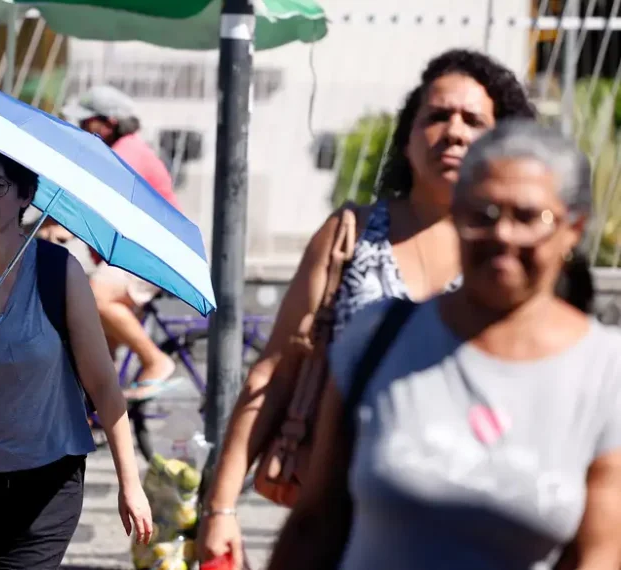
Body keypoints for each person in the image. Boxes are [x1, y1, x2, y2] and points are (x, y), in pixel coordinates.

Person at [197, 49, 538, 566]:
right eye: (438, 115)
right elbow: (275, 371)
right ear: (408, 137)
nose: (454, 131)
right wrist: (220, 508)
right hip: (346, 518)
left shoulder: (517, 249)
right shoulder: (350, 236)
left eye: (473, 120)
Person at [269, 119, 621, 569]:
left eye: (529, 217)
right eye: (483, 214)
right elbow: (315, 523)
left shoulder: (605, 373)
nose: (503, 235)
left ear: (573, 230)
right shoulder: (378, 338)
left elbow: (598, 556)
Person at [0, 136, 153, 568]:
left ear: (25, 195)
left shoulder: (59, 272)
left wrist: (131, 484)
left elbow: (105, 387)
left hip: (46, 484)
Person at [57, 84, 182, 398]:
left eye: (86, 122)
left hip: (151, 255)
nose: (81, 128)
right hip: (131, 257)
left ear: (108, 123)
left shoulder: (128, 151)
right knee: (97, 350)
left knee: (96, 297)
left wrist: (62, 225)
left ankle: (156, 361)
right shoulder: (116, 150)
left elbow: (98, 196)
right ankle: (96, 412)